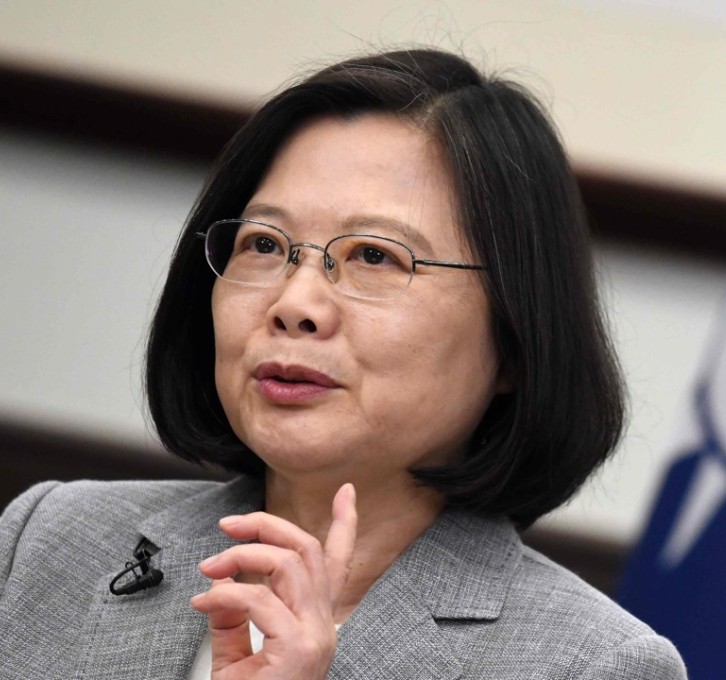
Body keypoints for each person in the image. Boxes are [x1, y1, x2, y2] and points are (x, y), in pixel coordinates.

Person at [0, 49, 686, 679]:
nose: (295, 304)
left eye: (375, 256)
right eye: (265, 244)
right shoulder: (47, 543)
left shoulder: (595, 666)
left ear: (513, 339)